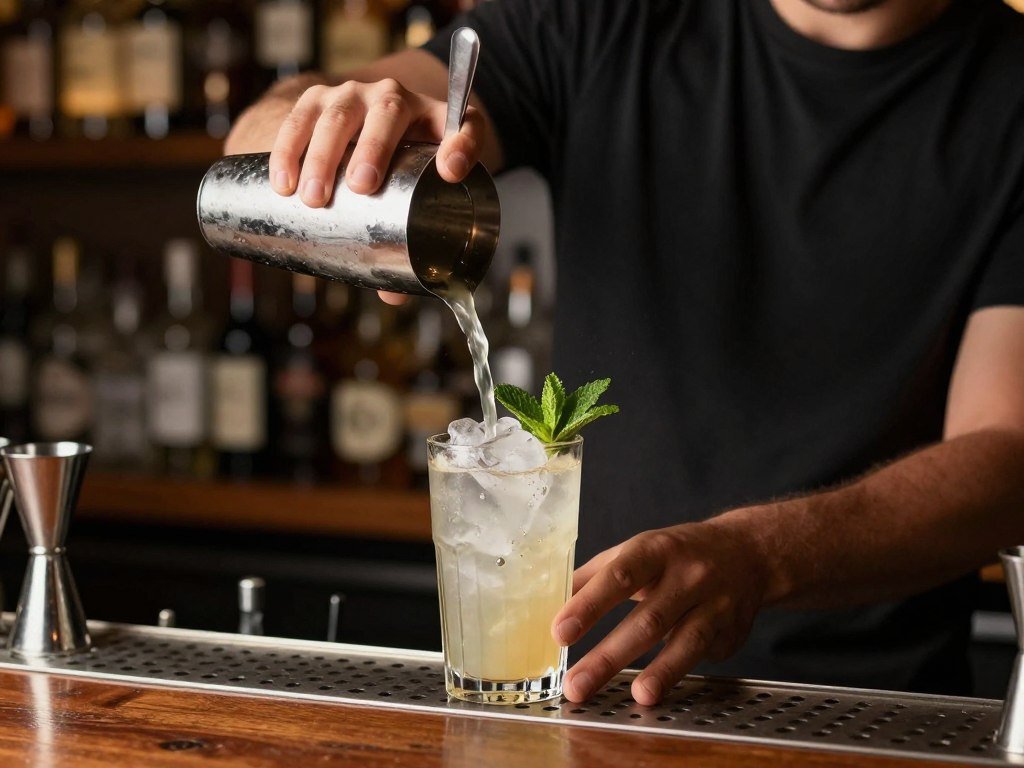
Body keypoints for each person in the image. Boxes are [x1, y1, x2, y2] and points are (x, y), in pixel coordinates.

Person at [227, 0, 1024, 706]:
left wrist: (760, 554)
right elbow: (262, 131)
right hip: (589, 693)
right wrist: (336, 133)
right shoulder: (605, 17)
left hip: (872, 711)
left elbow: (1007, 457)